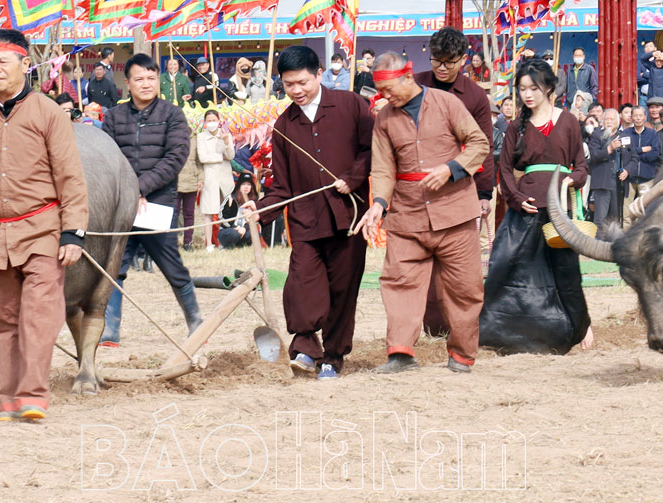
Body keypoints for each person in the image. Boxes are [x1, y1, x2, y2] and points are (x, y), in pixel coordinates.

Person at [0, 28, 89, 423]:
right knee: (6, 318)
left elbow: (71, 176)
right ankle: (9, 401)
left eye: (2, 62)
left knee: (39, 315)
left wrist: (73, 231)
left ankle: (33, 396)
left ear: (25, 65)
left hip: (42, 227)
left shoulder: (47, 112)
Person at [246, 45, 372, 380]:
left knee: (343, 290)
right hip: (305, 220)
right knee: (301, 284)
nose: (297, 91)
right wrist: (259, 210)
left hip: (349, 216)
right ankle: (305, 347)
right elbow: (282, 187)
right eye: (289, 85)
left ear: (319, 74)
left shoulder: (351, 106)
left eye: (303, 82)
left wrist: (353, 178)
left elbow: (372, 149)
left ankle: (332, 357)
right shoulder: (284, 125)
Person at [359, 53, 491, 374]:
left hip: (455, 212)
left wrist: (451, 169)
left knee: (464, 287)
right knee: (399, 281)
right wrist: (378, 204)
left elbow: (478, 143)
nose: (385, 97)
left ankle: (461, 355)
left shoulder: (447, 103)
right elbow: (384, 168)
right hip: (406, 215)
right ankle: (401, 353)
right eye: (381, 91)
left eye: (390, 89)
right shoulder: (385, 119)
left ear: (407, 77)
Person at [481, 58, 591, 354]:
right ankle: (507, 335)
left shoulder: (568, 121)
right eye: (522, 89)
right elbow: (503, 170)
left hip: (559, 210)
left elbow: (581, 166)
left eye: (534, 88)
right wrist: (516, 199)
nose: (527, 94)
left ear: (549, 88)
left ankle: (579, 328)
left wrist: (571, 182)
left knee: (566, 272)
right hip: (525, 209)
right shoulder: (516, 125)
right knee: (510, 269)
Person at [101, 54, 204, 345]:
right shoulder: (113, 117)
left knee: (171, 265)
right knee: (114, 266)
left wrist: (141, 189)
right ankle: (109, 330)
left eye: (151, 78)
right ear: (128, 84)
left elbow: (175, 159)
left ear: (158, 80)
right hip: (121, 204)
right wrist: (128, 194)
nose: (145, 84)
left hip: (158, 202)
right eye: (139, 79)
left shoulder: (173, 114)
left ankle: (195, 321)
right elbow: (107, 159)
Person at [413, 28, 496, 336]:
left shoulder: (475, 96)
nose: (442, 68)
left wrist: (485, 192)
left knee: (459, 262)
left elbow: (484, 146)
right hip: (417, 187)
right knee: (423, 262)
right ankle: (434, 329)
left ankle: (466, 327)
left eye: (449, 62)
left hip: (459, 187)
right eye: (437, 61)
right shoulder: (415, 85)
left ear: (463, 60)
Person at [196, 109, 234, 250]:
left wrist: (226, 142)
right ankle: (208, 244)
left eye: (214, 120)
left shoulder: (225, 135)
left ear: (219, 121)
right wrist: (219, 157)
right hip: (209, 177)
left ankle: (222, 241)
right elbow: (203, 157)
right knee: (208, 211)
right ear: (205, 122)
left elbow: (230, 156)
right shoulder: (201, 137)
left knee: (225, 211)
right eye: (209, 120)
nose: (211, 123)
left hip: (225, 177)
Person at [618, 106, 660, 222]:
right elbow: (624, 152)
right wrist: (641, 150)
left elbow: (655, 154)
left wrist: (634, 154)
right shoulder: (626, 133)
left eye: (640, 115)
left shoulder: (652, 134)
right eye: (635, 116)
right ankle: (626, 237)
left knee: (645, 212)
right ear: (631, 117)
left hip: (647, 178)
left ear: (645, 117)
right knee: (626, 214)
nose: (638, 118)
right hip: (629, 177)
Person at [586, 108, 623, 229]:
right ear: (602, 121)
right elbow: (594, 155)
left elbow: (631, 156)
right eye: (606, 119)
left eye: (612, 119)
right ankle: (597, 245)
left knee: (615, 220)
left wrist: (627, 170)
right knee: (600, 220)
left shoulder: (623, 135)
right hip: (602, 181)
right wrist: (609, 149)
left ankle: (613, 246)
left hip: (618, 183)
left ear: (618, 122)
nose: (609, 121)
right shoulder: (597, 135)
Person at [176, 126, 204, 249]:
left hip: (192, 181)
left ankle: (188, 242)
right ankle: (172, 242)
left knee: (189, 213)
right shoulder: (172, 137)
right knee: (174, 213)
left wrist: (201, 179)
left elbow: (199, 162)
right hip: (176, 181)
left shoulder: (195, 140)